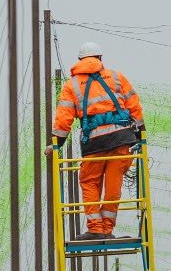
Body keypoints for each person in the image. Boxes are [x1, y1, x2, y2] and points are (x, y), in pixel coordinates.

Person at [49, 41, 145, 242]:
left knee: (90, 182)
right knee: (113, 186)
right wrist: (140, 135)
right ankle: (107, 228)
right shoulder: (117, 77)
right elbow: (134, 105)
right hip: (121, 141)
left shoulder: (72, 85)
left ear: (80, 61)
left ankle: (95, 228)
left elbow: (64, 117)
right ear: (100, 59)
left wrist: (57, 143)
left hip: (95, 145)